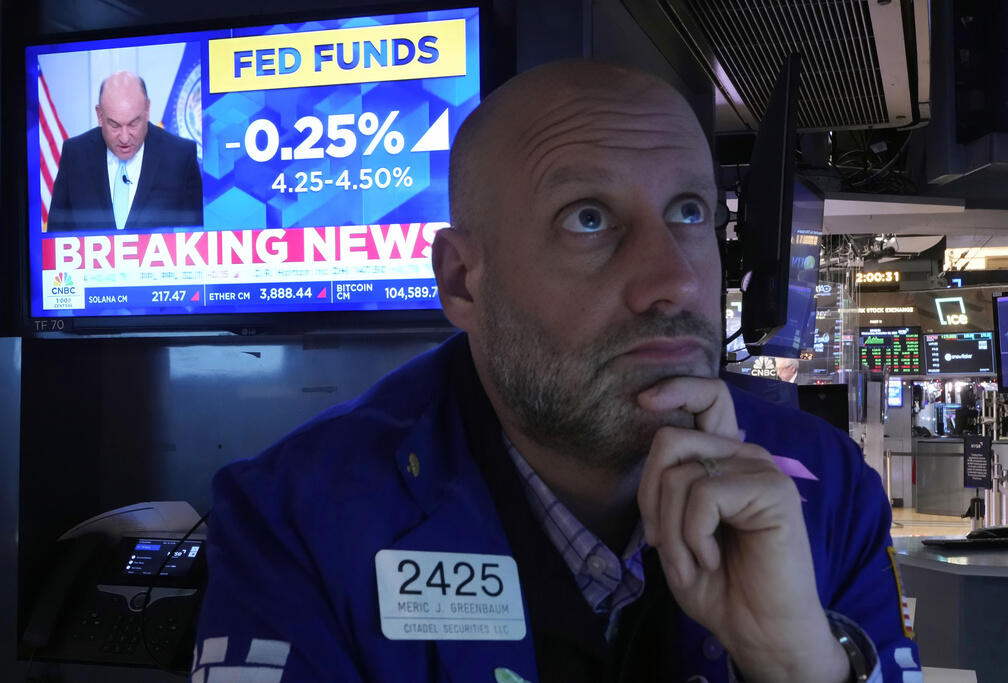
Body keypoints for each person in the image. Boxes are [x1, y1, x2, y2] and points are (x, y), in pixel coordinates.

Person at [192, 60, 919, 682]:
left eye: (689, 211)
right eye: (589, 219)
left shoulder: (825, 491)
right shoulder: (297, 519)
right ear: (463, 282)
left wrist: (798, 663)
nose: (672, 280)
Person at [46, 71, 203, 232]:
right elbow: (55, 239)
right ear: (99, 115)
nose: (125, 138)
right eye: (114, 125)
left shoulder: (180, 156)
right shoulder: (75, 156)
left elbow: (195, 238)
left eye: (133, 123)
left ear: (147, 109)